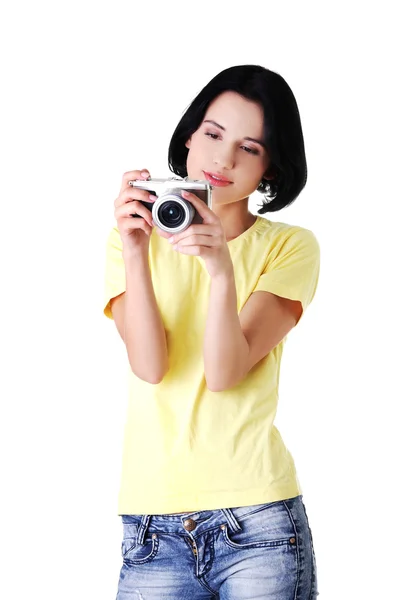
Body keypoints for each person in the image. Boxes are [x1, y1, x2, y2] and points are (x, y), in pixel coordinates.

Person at [104, 64, 320, 599]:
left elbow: (224, 372)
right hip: (152, 526)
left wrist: (221, 269)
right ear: (189, 138)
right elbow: (150, 367)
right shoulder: (133, 240)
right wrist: (135, 251)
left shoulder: (289, 247)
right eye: (213, 135)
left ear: (271, 168)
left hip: (258, 526)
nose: (223, 159)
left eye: (250, 148)